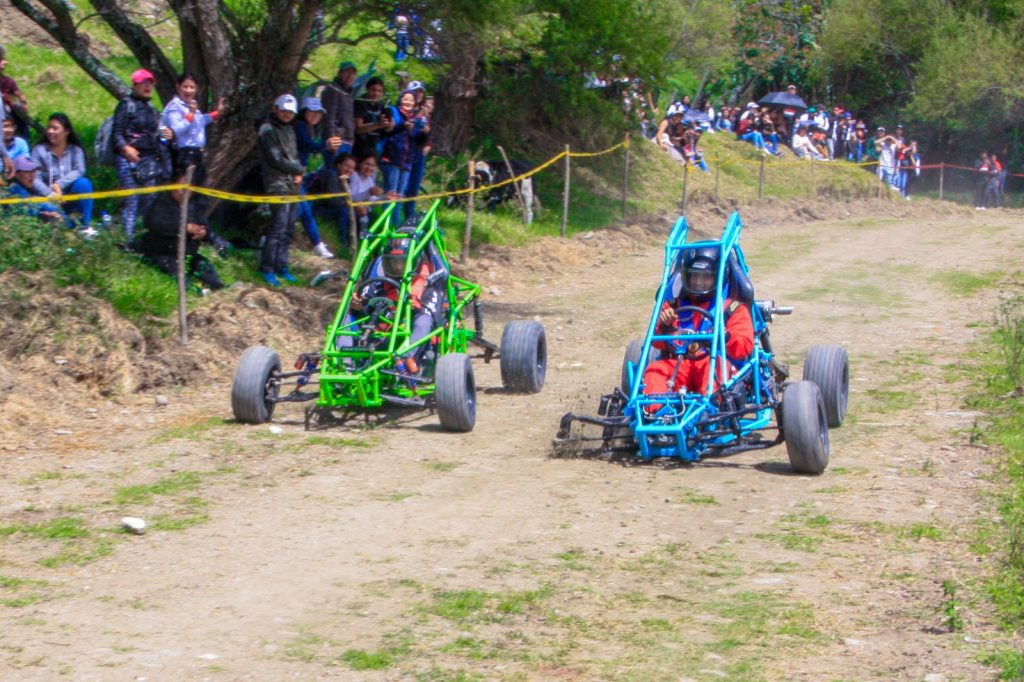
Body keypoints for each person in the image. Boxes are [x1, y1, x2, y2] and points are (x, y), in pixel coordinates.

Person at [642, 246, 754, 408]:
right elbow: (657, 343)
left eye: (705, 277)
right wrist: (664, 327)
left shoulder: (732, 309)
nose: (698, 283)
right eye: (694, 276)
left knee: (713, 368)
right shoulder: (674, 306)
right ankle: (655, 416)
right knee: (655, 370)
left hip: (716, 364)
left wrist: (726, 336)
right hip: (681, 365)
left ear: (717, 278)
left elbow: (744, 347)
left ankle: (708, 412)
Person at [347, 234, 446, 374]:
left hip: (408, 333)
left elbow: (431, 316)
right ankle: (345, 362)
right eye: (393, 264)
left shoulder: (428, 285)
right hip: (382, 330)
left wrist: (411, 307)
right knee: (347, 315)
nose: (398, 268)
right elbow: (366, 299)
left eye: (402, 263)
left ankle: (407, 361)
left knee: (424, 320)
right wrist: (358, 304)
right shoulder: (381, 282)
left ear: (414, 262)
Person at [137, 164, 229, 292]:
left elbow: (205, 226)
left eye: (186, 189)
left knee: (203, 265)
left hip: (188, 254)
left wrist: (203, 233)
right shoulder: (162, 203)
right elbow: (153, 223)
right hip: (164, 252)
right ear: (173, 186)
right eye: (180, 187)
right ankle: (195, 291)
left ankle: (218, 287)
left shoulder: (194, 206)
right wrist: (184, 228)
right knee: (176, 272)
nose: (182, 192)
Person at [113, 68, 169, 239]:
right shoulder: (126, 105)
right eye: (143, 82)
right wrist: (126, 148)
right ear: (135, 85)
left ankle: (141, 236)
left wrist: (166, 136)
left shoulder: (152, 109)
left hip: (149, 161)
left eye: (150, 83)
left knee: (150, 198)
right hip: (127, 160)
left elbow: (156, 134)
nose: (147, 86)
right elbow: (117, 132)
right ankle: (127, 239)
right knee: (132, 198)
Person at [256, 94, 305, 286]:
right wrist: (298, 169)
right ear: (276, 108)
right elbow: (275, 159)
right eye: (284, 110)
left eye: (290, 112)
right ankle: (267, 268)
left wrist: (298, 172)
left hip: (292, 183)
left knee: (289, 226)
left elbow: (293, 155)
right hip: (276, 182)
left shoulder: (290, 129)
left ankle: (281, 266)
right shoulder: (267, 130)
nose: (286, 114)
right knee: (278, 225)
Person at [293, 96, 341, 259]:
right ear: (304, 112)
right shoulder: (299, 126)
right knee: (301, 210)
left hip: (299, 174)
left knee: (303, 210)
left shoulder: (307, 128)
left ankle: (317, 244)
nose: (315, 115)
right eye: (312, 111)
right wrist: (325, 145)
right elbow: (308, 146)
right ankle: (316, 244)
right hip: (292, 175)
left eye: (318, 113)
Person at [30, 112, 95, 231]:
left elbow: (80, 170)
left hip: (69, 195)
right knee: (55, 217)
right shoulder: (38, 151)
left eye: (55, 128)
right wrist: (51, 194)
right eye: (49, 127)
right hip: (47, 197)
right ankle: (68, 226)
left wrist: (59, 184)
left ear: (66, 131)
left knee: (84, 183)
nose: (50, 131)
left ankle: (85, 226)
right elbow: (35, 179)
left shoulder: (76, 150)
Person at [161, 72, 226, 176]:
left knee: (198, 190)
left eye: (192, 87)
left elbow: (200, 121)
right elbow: (175, 130)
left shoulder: (190, 104)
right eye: (185, 87)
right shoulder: (175, 106)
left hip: (197, 153)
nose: (188, 90)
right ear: (178, 87)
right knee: (186, 190)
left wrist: (218, 113)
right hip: (185, 154)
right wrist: (191, 113)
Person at [379, 90, 428, 212]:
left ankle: (396, 227)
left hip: (407, 162)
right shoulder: (394, 112)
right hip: (392, 159)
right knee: (391, 194)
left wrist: (425, 131)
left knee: (400, 197)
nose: (408, 102)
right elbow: (389, 131)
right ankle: (385, 225)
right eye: (406, 99)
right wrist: (403, 126)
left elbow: (418, 140)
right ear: (400, 100)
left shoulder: (416, 120)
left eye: (411, 100)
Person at [4, 156, 76, 227]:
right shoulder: (13, 189)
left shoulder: (30, 190)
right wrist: (41, 215)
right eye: (27, 171)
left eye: (33, 171)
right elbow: (22, 211)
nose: (32, 175)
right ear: (16, 174)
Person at [402, 82, 432, 221]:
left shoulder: (425, 112)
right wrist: (420, 117)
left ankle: (409, 219)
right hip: (405, 153)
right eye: (416, 92)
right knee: (403, 188)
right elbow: (410, 131)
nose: (419, 94)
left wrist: (428, 144)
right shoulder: (407, 110)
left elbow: (427, 132)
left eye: (421, 92)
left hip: (419, 153)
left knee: (413, 190)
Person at [321, 60, 357, 166]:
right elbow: (329, 116)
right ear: (339, 73)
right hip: (337, 139)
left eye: (353, 73)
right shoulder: (332, 89)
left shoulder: (348, 92)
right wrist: (331, 137)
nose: (350, 76)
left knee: (343, 175)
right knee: (334, 171)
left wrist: (352, 137)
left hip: (347, 140)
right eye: (347, 72)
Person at [353, 77, 393, 160]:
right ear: (367, 89)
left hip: (373, 149)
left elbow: (388, 129)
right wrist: (378, 125)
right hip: (357, 148)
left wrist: (389, 124)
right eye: (373, 90)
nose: (376, 94)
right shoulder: (360, 103)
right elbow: (358, 128)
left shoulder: (382, 106)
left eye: (379, 91)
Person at [0, 44, 30, 141]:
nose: (4, 62)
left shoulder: (8, 81)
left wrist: (22, 105)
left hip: (8, 116)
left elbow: (20, 95)